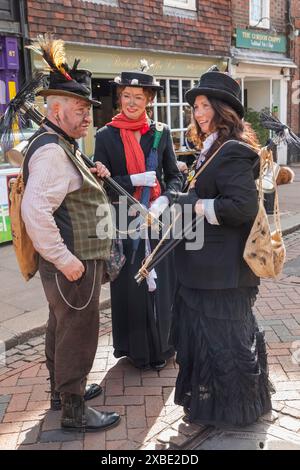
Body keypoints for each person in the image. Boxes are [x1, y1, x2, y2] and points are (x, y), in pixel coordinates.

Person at [21, 41, 120, 432]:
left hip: (76, 259)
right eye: (81, 112)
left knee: (61, 326)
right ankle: (74, 409)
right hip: (73, 262)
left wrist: (90, 174)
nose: (87, 119)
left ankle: (62, 392)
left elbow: (63, 191)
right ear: (57, 110)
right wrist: (64, 259)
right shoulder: (51, 152)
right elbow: (34, 211)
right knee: (78, 331)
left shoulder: (63, 145)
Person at [168, 68, 273, 427]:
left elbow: (241, 207)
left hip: (222, 273)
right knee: (210, 341)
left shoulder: (231, 150)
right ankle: (212, 405)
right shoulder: (213, 146)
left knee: (224, 341)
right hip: (207, 269)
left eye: (202, 105)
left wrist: (196, 204)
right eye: (194, 106)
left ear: (221, 108)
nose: (197, 113)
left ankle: (234, 410)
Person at [94, 68, 182, 370]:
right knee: (133, 288)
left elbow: (173, 177)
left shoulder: (161, 132)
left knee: (162, 285)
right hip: (124, 221)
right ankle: (136, 349)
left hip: (157, 221)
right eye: (126, 96)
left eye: (138, 97)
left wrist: (163, 200)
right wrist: (133, 178)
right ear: (120, 98)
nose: (131, 102)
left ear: (149, 100)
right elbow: (101, 184)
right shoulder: (104, 135)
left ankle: (164, 347)